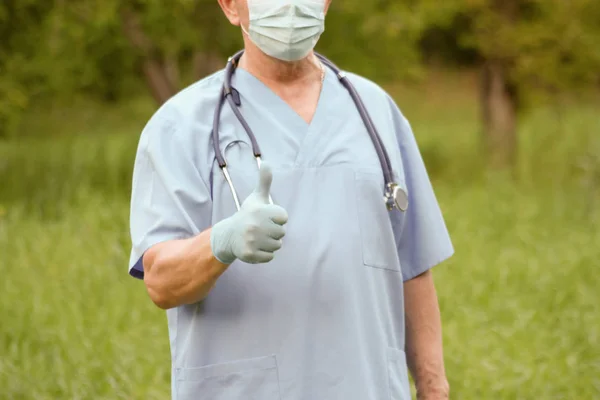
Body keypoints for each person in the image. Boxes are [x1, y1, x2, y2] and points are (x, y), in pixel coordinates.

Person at [128, 0, 454, 399]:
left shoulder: (373, 110)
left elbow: (413, 265)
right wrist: (220, 243)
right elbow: (161, 282)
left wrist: (433, 386)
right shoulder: (180, 126)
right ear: (231, 6)